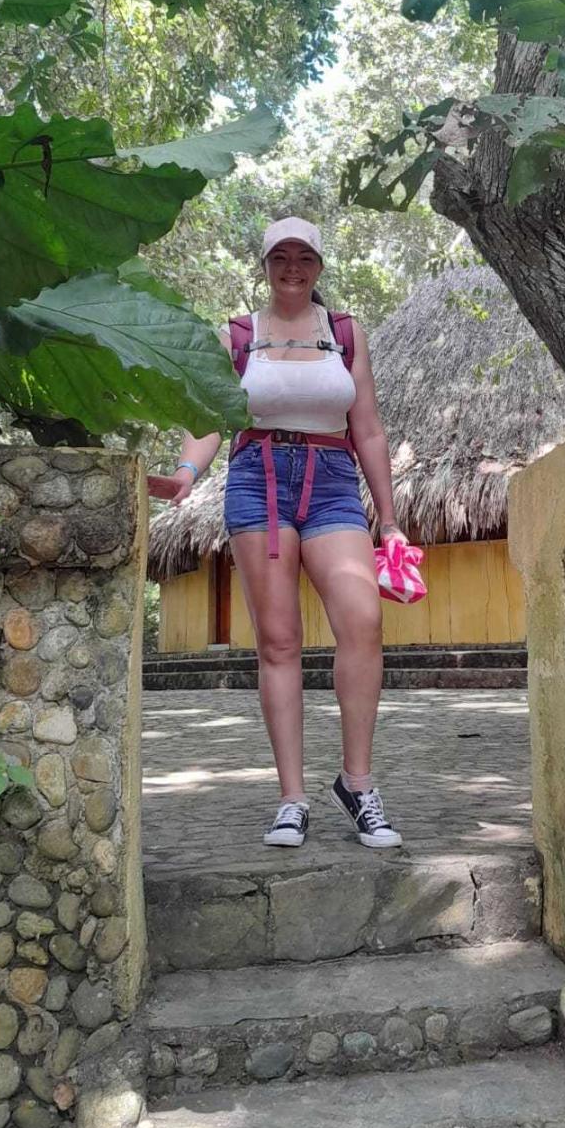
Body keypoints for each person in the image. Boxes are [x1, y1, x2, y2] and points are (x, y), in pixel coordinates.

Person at [171, 216, 408, 850]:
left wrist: (388, 520)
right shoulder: (239, 334)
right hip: (259, 478)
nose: (293, 267)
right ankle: (292, 798)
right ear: (266, 266)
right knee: (278, 642)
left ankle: (357, 784)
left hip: (333, 480)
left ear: (319, 267)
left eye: (304, 257)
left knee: (363, 620)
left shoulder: (345, 332)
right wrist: (187, 472)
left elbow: (369, 429)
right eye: (281, 257)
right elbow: (210, 417)